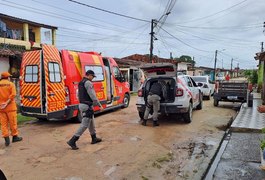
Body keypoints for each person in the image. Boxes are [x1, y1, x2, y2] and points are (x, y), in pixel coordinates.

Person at [67, 70, 104, 150]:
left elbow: (78, 94)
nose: (93, 78)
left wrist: (82, 102)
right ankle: (72, 140)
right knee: (84, 125)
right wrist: (99, 105)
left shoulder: (81, 82)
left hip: (83, 104)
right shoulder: (88, 83)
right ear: (89, 75)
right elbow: (93, 95)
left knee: (91, 122)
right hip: (87, 106)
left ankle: (94, 138)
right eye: (93, 76)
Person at [0, 72, 22, 146]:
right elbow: (13, 95)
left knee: (3, 124)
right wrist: (6, 103)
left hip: (1, 108)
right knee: (13, 122)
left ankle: (6, 140)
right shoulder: (11, 84)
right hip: (10, 107)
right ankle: (15, 137)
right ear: (8, 77)